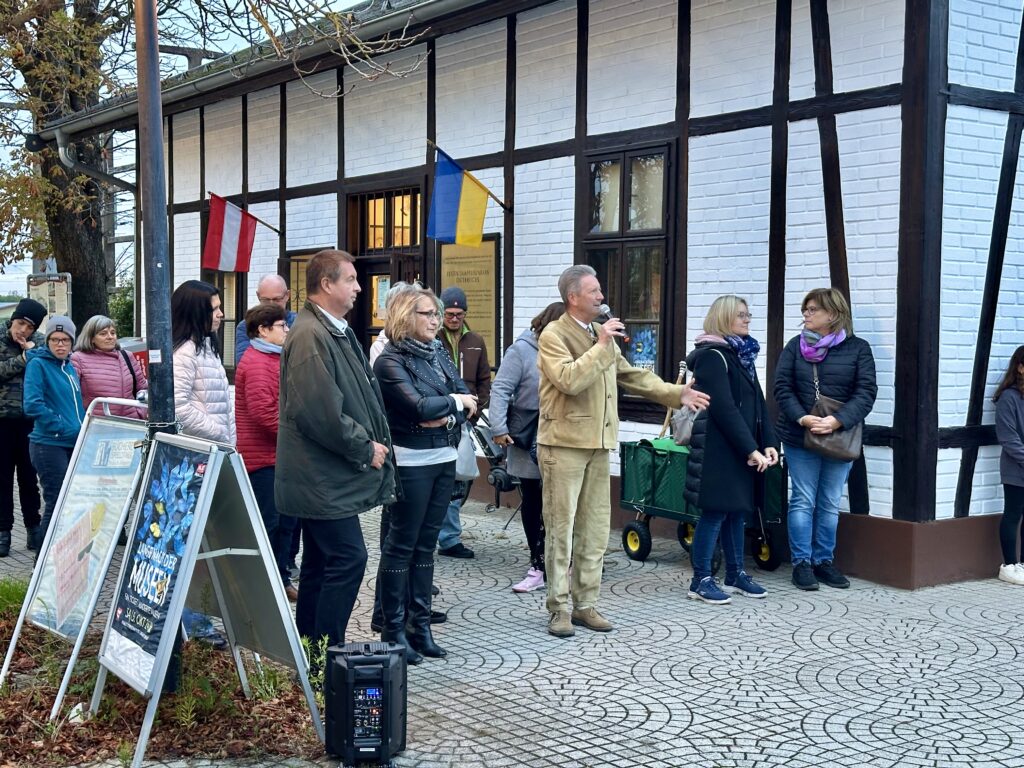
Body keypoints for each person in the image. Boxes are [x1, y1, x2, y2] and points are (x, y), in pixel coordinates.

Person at [537, 265, 709, 638]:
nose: (602, 297)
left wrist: (676, 394)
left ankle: (585, 605)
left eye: (600, 291)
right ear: (574, 298)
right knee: (561, 530)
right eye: (594, 291)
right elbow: (569, 380)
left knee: (596, 530)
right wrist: (600, 345)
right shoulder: (554, 335)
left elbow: (631, 376)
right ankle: (559, 608)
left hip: (598, 444)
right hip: (562, 445)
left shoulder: (600, 337)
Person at [276, 249, 397, 649]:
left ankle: (311, 656)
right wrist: (364, 448)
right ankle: (328, 653)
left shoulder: (331, 329)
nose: (360, 288)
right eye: (351, 280)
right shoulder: (312, 335)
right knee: (348, 558)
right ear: (326, 285)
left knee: (320, 562)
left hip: (321, 475)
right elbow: (319, 413)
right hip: (319, 478)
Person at [373, 286, 476, 663]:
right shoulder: (389, 361)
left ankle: (421, 628)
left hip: (444, 456)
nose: (435, 320)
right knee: (401, 544)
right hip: (411, 461)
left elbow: (468, 397)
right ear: (404, 316)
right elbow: (418, 407)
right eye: (427, 313)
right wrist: (453, 404)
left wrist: (449, 407)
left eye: (436, 314)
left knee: (426, 545)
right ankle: (393, 629)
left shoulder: (438, 354)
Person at [773, 287, 876, 592]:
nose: (806, 315)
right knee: (803, 500)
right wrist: (803, 418)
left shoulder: (858, 348)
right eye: (805, 310)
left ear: (833, 314)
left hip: (839, 437)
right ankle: (802, 564)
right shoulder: (794, 347)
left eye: (813, 310)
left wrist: (836, 420)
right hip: (798, 435)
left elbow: (866, 392)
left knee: (830, 502)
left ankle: (823, 562)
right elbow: (782, 388)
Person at [683, 296, 779, 604]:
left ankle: (735, 574)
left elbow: (758, 405)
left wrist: (769, 443)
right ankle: (700, 580)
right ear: (723, 318)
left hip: (741, 447)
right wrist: (750, 449)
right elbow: (723, 408)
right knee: (715, 512)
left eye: (748, 314)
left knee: (737, 512)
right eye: (741, 315)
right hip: (719, 448)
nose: (748, 319)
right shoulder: (712, 356)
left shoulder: (741, 354)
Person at [171, 280, 234, 647]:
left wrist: (230, 442)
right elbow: (180, 410)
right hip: (196, 462)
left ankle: (197, 620)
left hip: (214, 459)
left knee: (203, 547)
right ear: (197, 312)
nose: (221, 314)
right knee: (192, 549)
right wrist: (221, 436)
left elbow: (221, 405)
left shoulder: (205, 352)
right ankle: (191, 623)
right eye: (214, 308)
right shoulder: (184, 355)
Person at [491, 302, 566, 593]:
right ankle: (537, 564)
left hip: (562, 435)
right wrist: (498, 428)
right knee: (534, 499)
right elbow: (501, 389)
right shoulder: (521, 350)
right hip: (527, 434)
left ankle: (563, 564)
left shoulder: (572, 348)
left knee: (562, 503)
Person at [235, 303, 297, 601]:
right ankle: (265, 587)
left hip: (279, 456)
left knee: (286, 523)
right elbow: (263, 413)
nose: (287, 330)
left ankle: (281, 579)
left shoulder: (273, 356)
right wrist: (298, 434)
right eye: (282, 326)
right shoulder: (258, 361)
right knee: (271, 524)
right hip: (263, 458)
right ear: (263, 330)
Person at [437, 285, 491, 559]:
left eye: (459, 314)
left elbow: (484, 381)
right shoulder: (434, 339)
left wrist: (477, 409)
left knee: (461, 477)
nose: (454, 318)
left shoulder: (476, 341)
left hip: (466, 419)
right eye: (449, 313)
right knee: (445, 478)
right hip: (441, 416)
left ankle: (448, 535)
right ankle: (445, 536)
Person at [23, 316, 84, 544]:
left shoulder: (69, 367)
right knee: (56, 501)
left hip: (72, 442)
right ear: (47, 341)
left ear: (72, 342)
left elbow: (74, 405)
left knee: (69, 502)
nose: (60, 344)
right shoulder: (38, 365)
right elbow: (32, 404)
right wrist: (60, 426)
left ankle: (62, 560)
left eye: (65, 340)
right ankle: (41, 564)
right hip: (48, 443)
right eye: (55, 340)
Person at [0, 298, 46, 556]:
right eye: (20, 324)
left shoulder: (38, 343)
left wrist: (31, 353)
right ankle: (3, 532)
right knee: (2, 479)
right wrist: (22, 360)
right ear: (13, 320)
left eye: (29, 327)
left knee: (29, 478)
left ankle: (34, 528)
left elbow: (44, 369)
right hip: (2, 420)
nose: (23, 331)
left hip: (30, 422)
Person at [71, 315, 148, 419]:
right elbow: (72, 395)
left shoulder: (127, 356)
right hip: (97, 425)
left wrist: (140, 412)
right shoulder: (78, 358)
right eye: (103, 333)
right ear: (91, 338)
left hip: (130, 423)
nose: (110, 336)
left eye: (113, 332)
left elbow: (142, 388)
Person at [993, 345, 1024, 585]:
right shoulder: (1008, 398)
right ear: (1020, 368)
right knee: (1013, 514)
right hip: (1016, 469)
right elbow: (1008, 438)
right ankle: (1009, 565)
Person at [235, 273, 298, 365]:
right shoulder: (246, 326)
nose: (271, 304)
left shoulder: (298, 323)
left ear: (287, 295)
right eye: (265, 300)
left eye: (277, 299)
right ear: (258, 296)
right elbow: (243, 362)